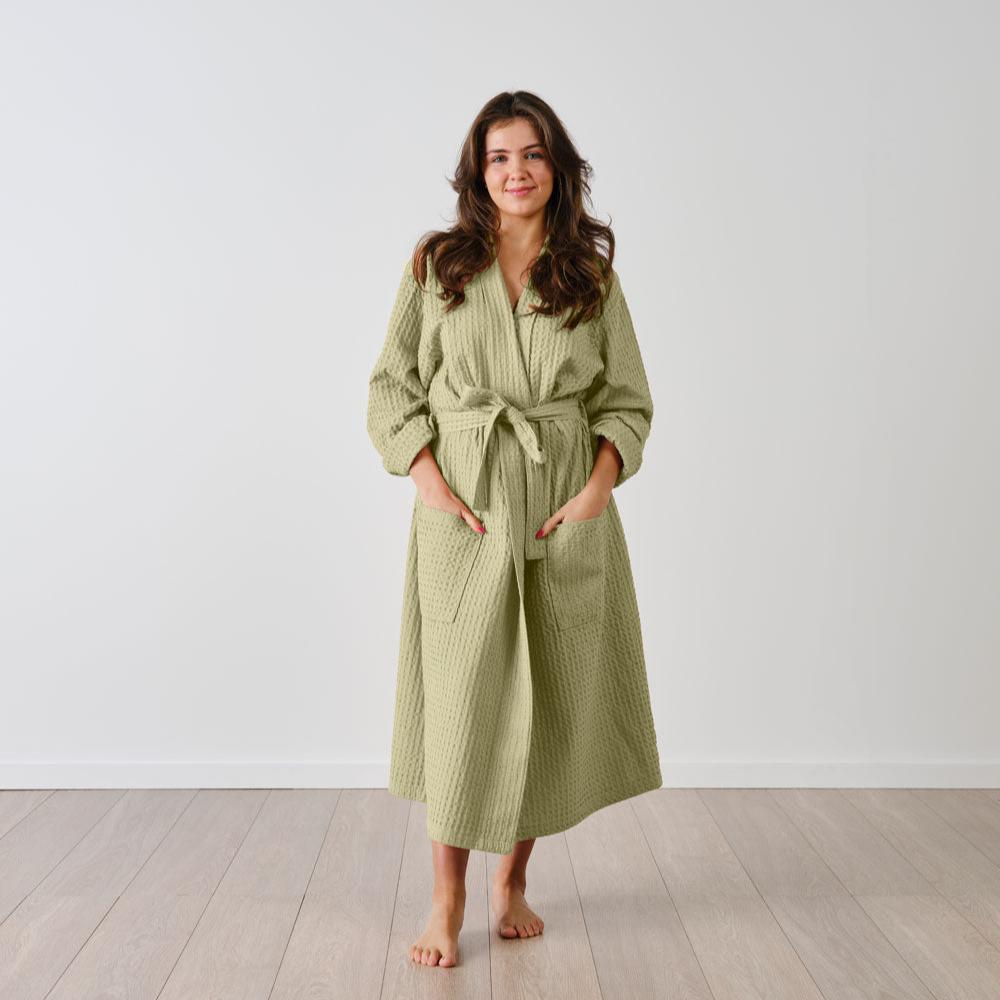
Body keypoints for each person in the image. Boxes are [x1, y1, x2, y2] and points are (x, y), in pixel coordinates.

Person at [366, 90, 662, 968]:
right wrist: (428, 481)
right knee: (463, 705)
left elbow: (626, 400)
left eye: (532, 154)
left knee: (550, 698)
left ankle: (512, 882)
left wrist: (598, 490)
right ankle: (447, 896)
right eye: (499, 157)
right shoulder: (437, 266)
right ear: (478, 171)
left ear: (557, 167)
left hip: (560, 504)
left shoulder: (590, 277)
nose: (516, 171)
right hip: (465, 508)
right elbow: (391, 388)